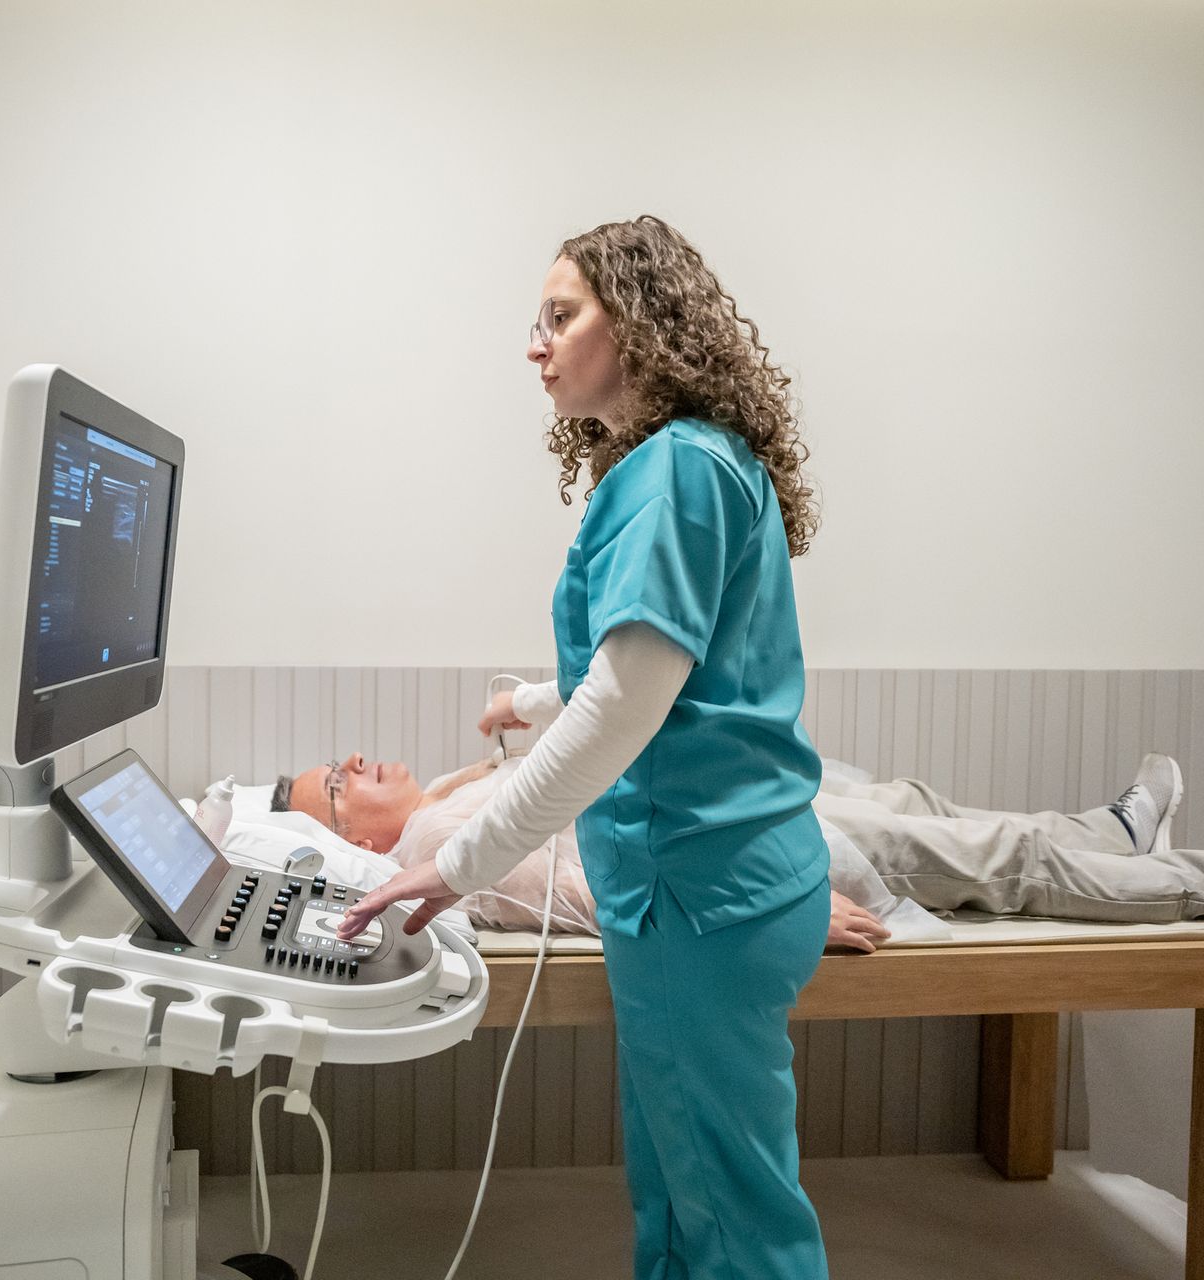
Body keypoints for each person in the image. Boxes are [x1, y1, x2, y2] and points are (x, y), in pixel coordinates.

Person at [334, 216, 834, 1280]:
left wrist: (458, 862)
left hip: (697, 890)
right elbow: (669, 665)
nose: (536, 344)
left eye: (561, 317)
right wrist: (532, 693)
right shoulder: (704, 462)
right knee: (682, 1174)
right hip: (728, 880)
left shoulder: (671, 476)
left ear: (642, 326)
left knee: (730, 1211)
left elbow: (624, 707)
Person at [277, 746, 1204, 937]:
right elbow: (582, 893)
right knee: (1000, 869)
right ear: (346, 836)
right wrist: (781, 915)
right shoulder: (431, 838)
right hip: (747, 860)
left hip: (736, 819)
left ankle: (1106, 830)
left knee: (921, 807)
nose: (358, 761)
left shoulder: (450, 791)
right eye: (338, 781)